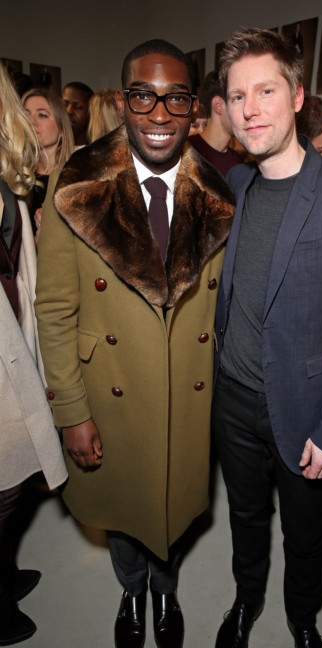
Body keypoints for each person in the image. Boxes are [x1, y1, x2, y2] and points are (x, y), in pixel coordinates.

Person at [35, 39, 234, 648]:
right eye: (143, 96)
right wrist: (71, 411)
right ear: (123, 102)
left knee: (171, 507)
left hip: (185, 395)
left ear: (192, 108)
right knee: (123, 509)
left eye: (175, 98)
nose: (158, 114)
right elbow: (55, 308)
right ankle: (130, 589)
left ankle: (165, 597)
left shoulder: (219, 195)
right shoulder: (77, 183)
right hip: (110, 390)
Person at [212, 28, 322, 648]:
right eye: (237, 96)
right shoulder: (236, 185)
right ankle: (245, 600)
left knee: (305, 532)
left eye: (265, 90)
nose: (250, 109)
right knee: (244, 517)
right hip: (233, 396)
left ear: (296, 95)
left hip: (307, 404)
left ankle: (302, 620)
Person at [0, 62, 67, 646]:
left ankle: (2, 573)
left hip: (17, 343)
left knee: (16, 480)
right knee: (6, 485)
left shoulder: (9, 181)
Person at [22, 88, 74, 234]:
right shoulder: (16, 179)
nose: (31, 121)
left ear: (62, 126)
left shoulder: (77, 178)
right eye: (25, 115)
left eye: (42, 115)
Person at [189, 70, 243, 177]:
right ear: (218, 105)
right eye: (238, 99)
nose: (247, 110)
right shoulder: (185, 152)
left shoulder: (238, 163)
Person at [62, 81, 93, 147]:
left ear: (90, 112)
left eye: (77, 107)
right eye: (64, 104)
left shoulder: (97, 153)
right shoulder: (50, 150)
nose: (69, 111)